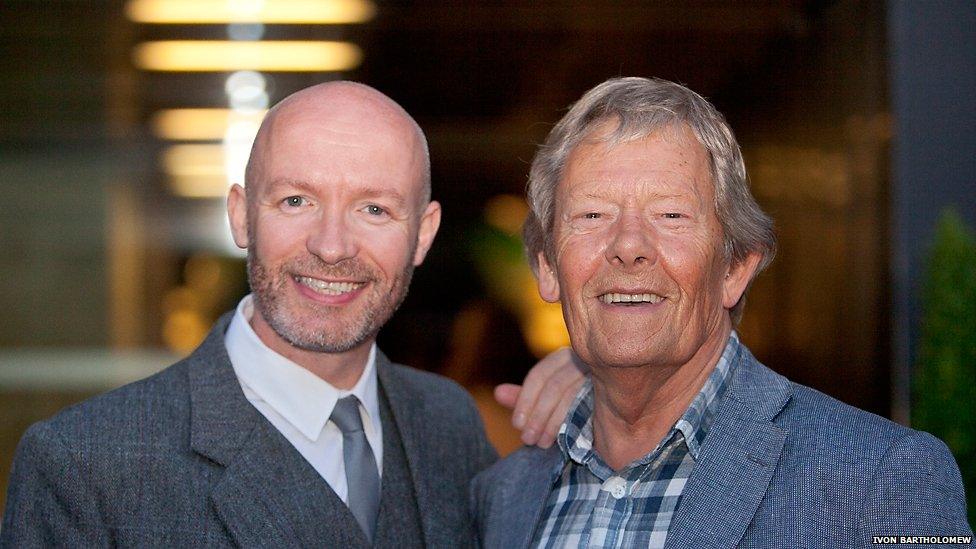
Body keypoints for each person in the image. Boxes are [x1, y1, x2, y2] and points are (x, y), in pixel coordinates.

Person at [1, 82, 581, 547]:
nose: (331, 246)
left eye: (373, 209)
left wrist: (604, 394)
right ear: (241, 216)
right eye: (296, 200)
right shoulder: (85, 466)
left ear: (423, 235)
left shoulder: (449, 423)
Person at [471, 77, 972, 548]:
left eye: (671, 215)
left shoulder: (881, 477)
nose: (628, 246)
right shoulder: (503, 495)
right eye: (593, 214)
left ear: (735, 268)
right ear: (547, 267)